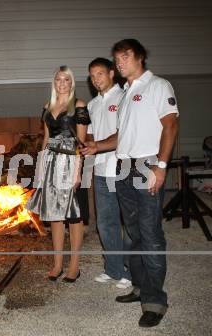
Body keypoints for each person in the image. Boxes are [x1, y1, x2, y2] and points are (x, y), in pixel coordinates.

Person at [82, 39, 179, 328]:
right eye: (117, 58)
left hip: (146, 165)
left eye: (124, 57)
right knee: (133, 233)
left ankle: (155, 302)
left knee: (150, 234)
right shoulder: (125, 95)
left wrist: (160, 166)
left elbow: (170, 125)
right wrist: (96, 146)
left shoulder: (158, 86)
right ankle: (139, 288)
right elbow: (120, 138)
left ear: (140, 57)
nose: (119, 63)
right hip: (124, 167)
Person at [26, 65, 90, 282]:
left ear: (72, 83)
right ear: (54, 83)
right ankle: (57, 264)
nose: (62, 83)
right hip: (51, 162)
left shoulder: (79, 106)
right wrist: (41, 166)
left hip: (71, 162)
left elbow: (81, 142)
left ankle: (74, 266)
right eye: (58, 80)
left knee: (73, 215)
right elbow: (45, 138)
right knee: (54, 214)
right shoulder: (47, 106)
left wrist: (78, 172)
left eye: (66, 80)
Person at [87, 57, 132, 289]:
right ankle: (113, 269)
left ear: (112, 73)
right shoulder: (93, 105)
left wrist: (96, 146)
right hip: (100, 169)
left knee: (128, 222)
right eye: (92, 76)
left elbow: (123, 134)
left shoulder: (124, 97)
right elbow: (91, 137)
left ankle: (130, 271)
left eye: (100, 74)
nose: (96, 80)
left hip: (122, 167)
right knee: (105, 223)